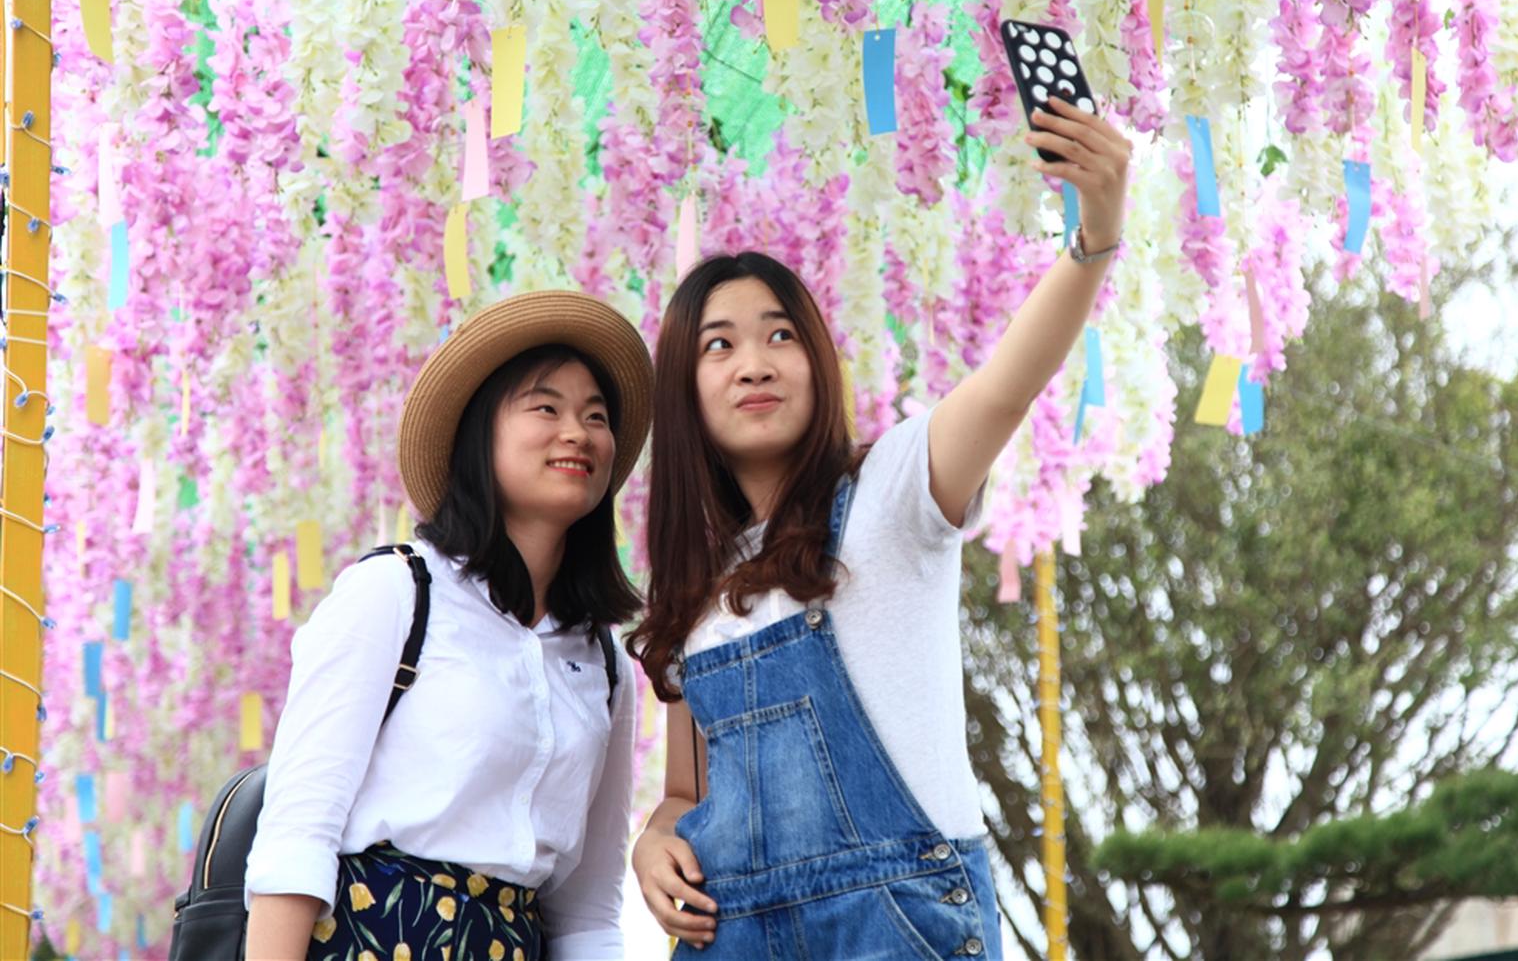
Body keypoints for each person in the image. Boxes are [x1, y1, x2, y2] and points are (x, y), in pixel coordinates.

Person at [628, 97, 1131, 958]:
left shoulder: (891, 490)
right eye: (718, 346)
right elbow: (686, 791)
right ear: (683, 390)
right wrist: (653, 838)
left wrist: (1095, 238)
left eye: (780, 335)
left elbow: (1006, 385)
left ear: (817, 361)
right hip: (731, 934)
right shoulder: (695, 588)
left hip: (895, 921)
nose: (755, 363)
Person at [244, 291, 653, 961]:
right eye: (546, 408)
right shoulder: (395, 592)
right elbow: (297, 835)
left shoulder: (604, 662)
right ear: (479, 435)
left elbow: (586, 914)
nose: (578, 432)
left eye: (596, 416)